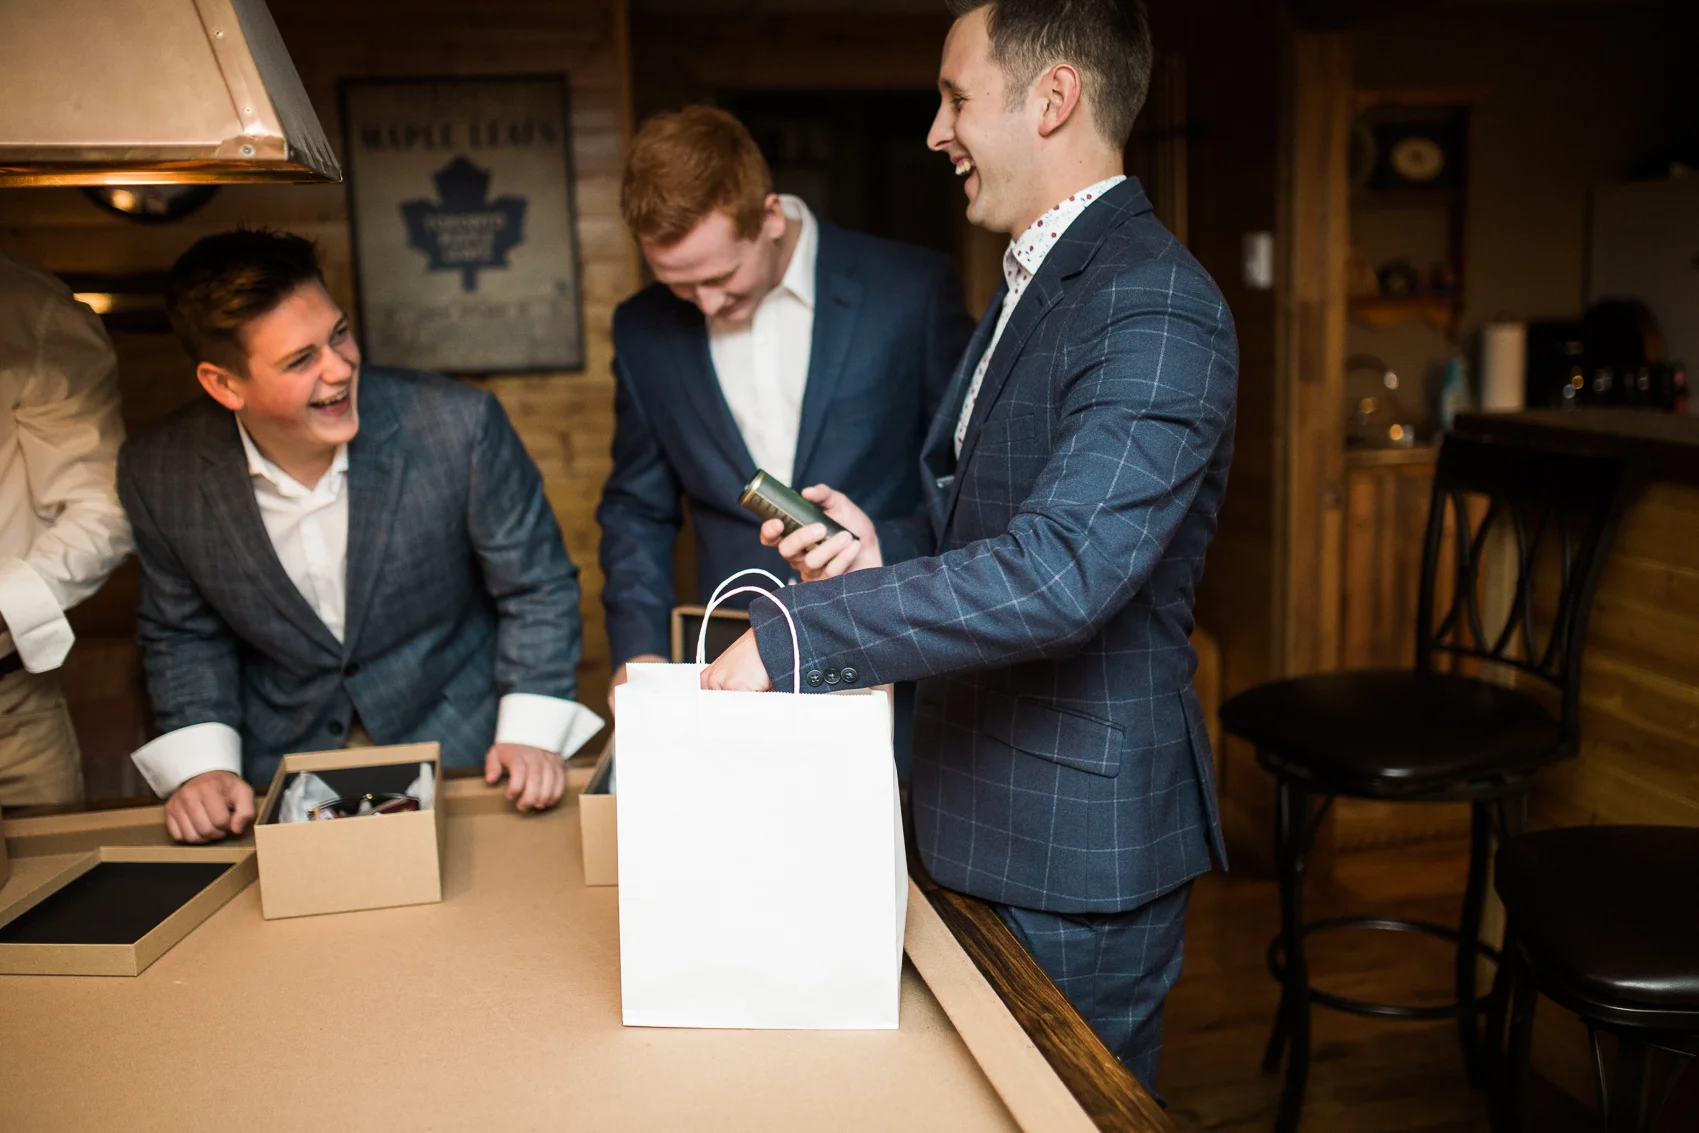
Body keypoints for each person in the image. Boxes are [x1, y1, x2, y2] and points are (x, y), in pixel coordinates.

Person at [702, 0, 1237, 1093]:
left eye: (955, 98)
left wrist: (805, 631)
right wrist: (879, 549)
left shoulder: (1154, 304)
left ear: (1053, 99)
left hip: (1072, 848)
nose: (936, 131)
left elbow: (1063, 570)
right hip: (969, 803)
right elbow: (998, 530)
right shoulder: (1036, 278)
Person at [122, 229, 600, 844]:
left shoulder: (458, 426)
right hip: (282, 764)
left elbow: (536, 586)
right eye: (301, 360)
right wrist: (203, 767)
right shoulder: (160, 471)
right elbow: (182, 631)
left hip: (466, 748)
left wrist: (530, 731)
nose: (341, 368)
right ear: (224, 385)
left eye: (340, 334)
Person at [598, 106, 974, 741]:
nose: (706, 303)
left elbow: (967, 479)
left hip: (887, 649)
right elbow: (637, 507)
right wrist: (639, 651)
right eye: (679, 286)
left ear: (769, 216)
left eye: (721, 276)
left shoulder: (910, 290)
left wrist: (880, 547)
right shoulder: (642, 330)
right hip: (729, 675)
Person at [0, 252, 132, 807]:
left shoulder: (29, 311)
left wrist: (9, 603)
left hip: (10, 704)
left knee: (51, 859)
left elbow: (103, 507)